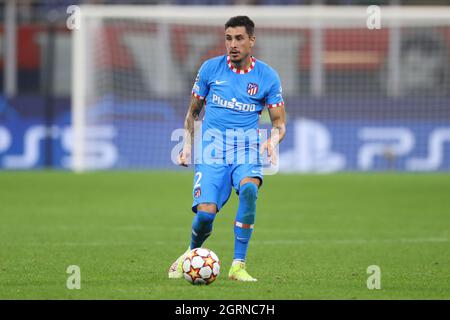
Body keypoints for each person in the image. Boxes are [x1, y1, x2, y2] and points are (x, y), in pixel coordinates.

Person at [168, 16, 286, 282]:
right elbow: (193, 112)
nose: (233, 45)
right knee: (205, 216)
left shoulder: (267, 76)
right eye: (228, 38)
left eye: (239, 38)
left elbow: (279, 123)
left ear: (251, 40)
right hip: (212, 151)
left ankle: (238, 265)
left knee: (248, 189)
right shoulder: (210, 69)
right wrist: (187, 146)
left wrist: (272, 140)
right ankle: (191, 252)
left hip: (246, 149)